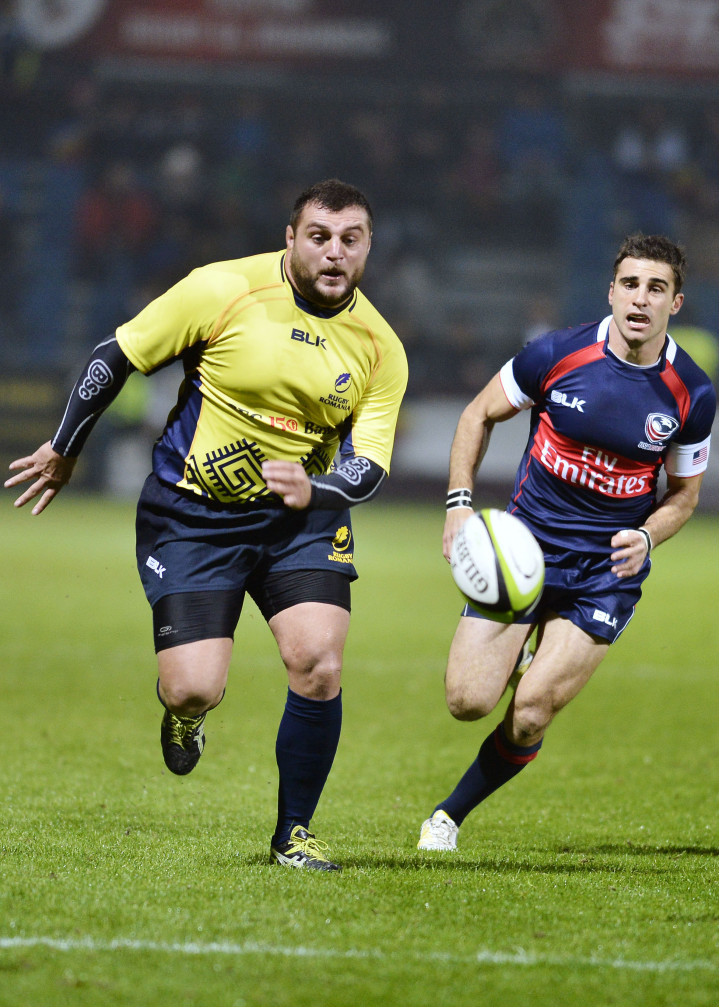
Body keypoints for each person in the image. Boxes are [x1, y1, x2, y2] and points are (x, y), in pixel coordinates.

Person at [5, 178, 408, 873]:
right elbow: (115, 356)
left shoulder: (380, 348)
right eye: (319, 237)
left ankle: (294, 833)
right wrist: (65, 449)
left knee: (319, 661)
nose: (335, 253)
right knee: (193, 686)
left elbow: (369, 468)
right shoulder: (222, 288)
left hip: (300, 521)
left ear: (370, 245)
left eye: (351, 239)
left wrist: (313, 491)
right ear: (291, 238)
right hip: (194, 515)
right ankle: (186, 715)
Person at [417, 234, 716, 851]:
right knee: (467, 701)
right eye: (630, 284)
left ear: (676, 303)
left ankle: (447, 816)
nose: (640, 299)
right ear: (611, 292)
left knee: (530, 713)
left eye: (656, 288)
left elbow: (685, 494)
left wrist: (647, 535)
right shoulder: (557, 353)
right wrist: (458, 505)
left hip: (606, 573)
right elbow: (477, 415)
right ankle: (526, 650)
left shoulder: (693, 393)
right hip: (522, 555)